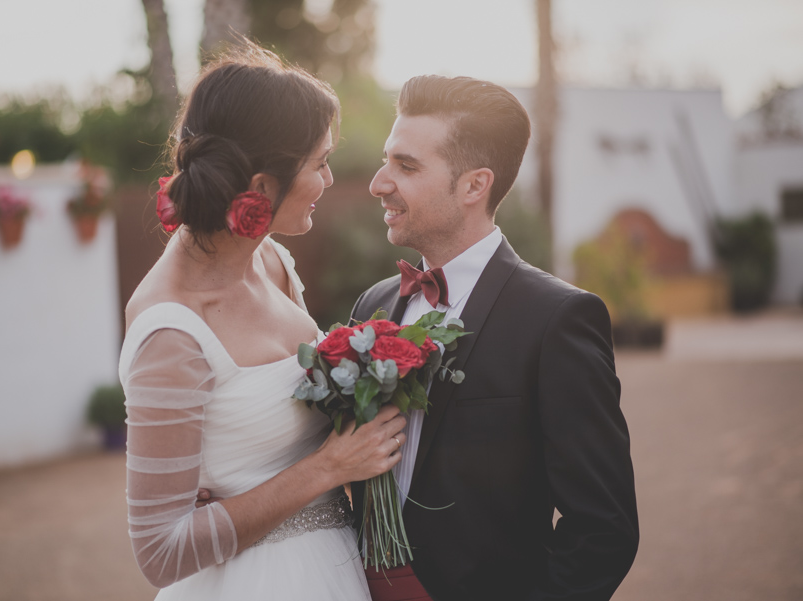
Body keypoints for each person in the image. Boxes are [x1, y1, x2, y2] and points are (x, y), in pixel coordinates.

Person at [118, 42, 407, 600]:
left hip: (336, 568)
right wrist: (326, 470)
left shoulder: (272, 261)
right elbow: (159, 552)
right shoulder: (173, 331)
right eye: (319, 163)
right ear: (261, 186)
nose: (329, 179)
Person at [349, 75, 639, 601]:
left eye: (406, 166)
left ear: (474, 186)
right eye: (386, 159)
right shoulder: (372, 306)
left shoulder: (558, 320)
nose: (379, 182)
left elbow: (603, 528)